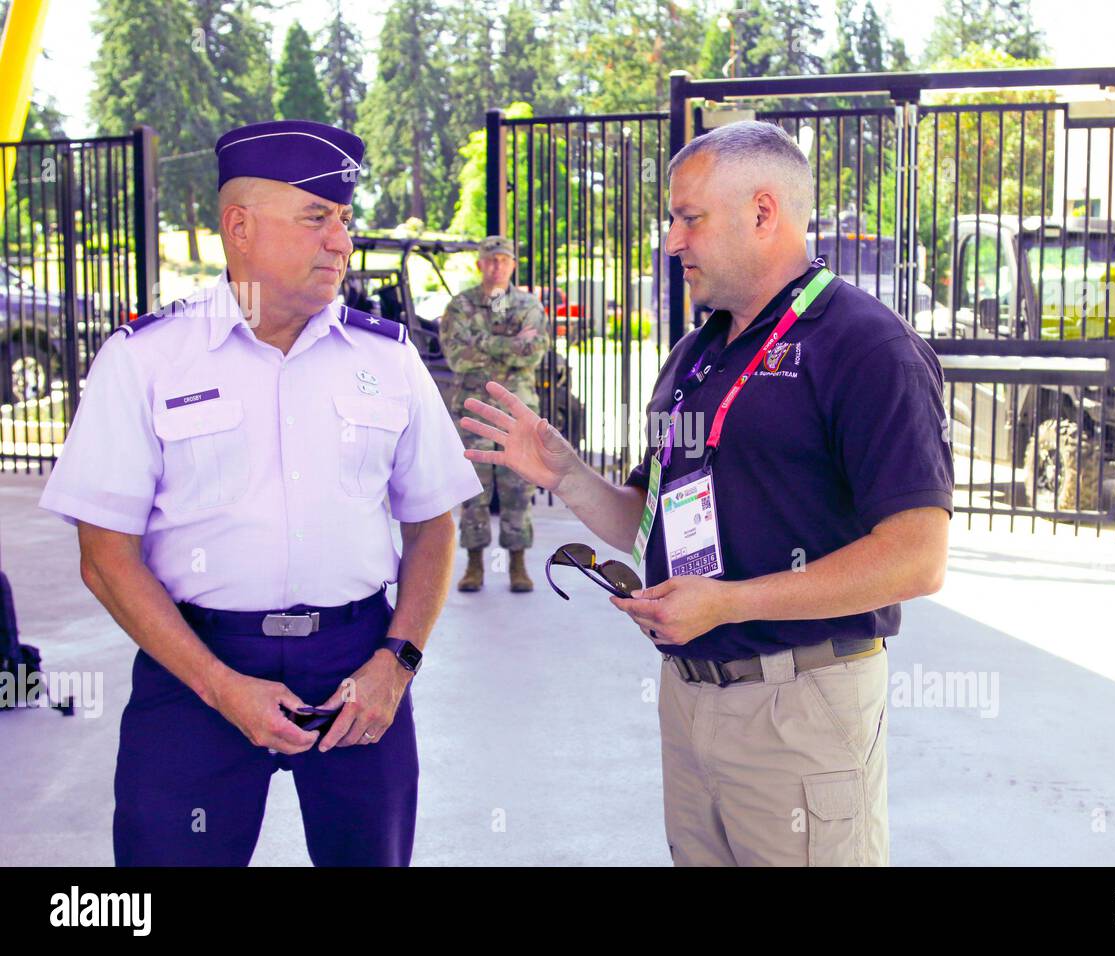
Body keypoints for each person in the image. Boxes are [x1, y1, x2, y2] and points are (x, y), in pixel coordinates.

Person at [459, 120, 954, 866]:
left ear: (763, 212)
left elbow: (917, 559)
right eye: (671, 219)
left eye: (689, 218)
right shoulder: (695, 355)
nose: (671, 240)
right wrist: (566, 474)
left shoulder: (864, 346)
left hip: (801, 703)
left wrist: (729, 601)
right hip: (689, 696)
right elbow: (645, 518)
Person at [37, 119, 482, 866]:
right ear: (238, 228)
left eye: (343, 219)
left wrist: (396, 662)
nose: (341, 240)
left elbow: (433, 523)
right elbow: (105, 556)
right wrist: (218, 687)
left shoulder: (387, 357)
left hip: (358, 669)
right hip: (195, 664)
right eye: (317, 218)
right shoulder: (146, 359)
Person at [440, 236, 549, 593]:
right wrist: (509, 344)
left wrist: (481, 342)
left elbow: (532, 353)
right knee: (474, 491)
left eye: (504, 260)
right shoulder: (460, 305)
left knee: (518, 488)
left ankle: (517, 564)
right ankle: (474, 565)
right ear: (479, 265)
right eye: (490, 260)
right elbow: (457, 357)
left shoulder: (529, 305)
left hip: (517, 414)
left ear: (513, 265)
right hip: (474, 413)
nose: (497, 266)